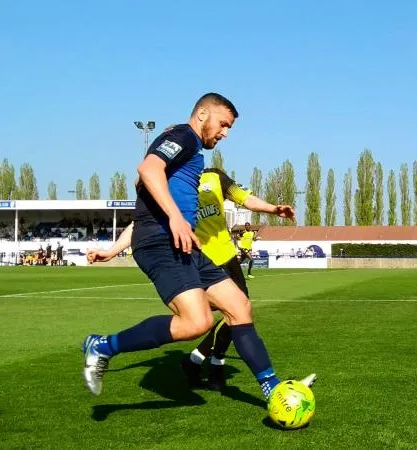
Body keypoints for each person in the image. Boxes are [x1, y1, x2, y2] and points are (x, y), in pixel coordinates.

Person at [81, 93, 312, 399]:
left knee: (239, 306)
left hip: (185, 244)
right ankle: (102, 346)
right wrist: (176, 218)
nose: (225, 133)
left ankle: (272, 389)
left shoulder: (193, 157)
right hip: (161, 243)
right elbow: (148, 170)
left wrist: (114, 249)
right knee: (197, 322)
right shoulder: (183, 137)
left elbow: (145, 202)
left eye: (229, 128)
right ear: (202, 114)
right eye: (223, 124)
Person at [88, 168, 299, 390]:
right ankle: (207, 363)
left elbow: (245, 198)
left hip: (225, 257)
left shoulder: (215, 177)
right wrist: (112, 251)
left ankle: (207, 363)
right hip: (192, 257)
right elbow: (141, 224)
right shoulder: (165, 181)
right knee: (203, 320)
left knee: (239, 310)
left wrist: (273, 209)